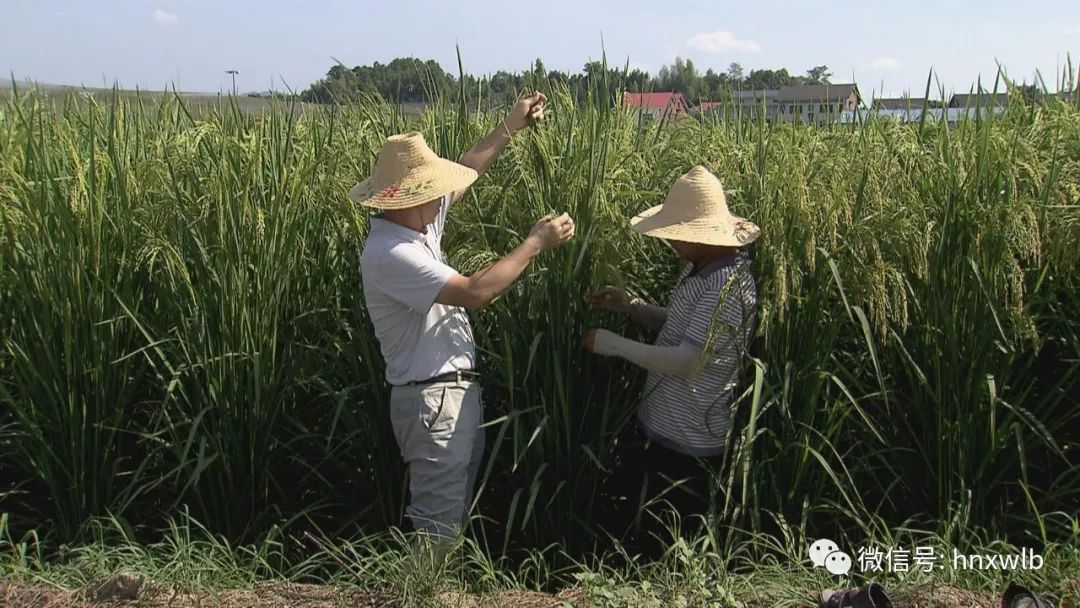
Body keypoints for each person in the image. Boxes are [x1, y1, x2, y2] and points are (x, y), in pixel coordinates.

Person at [351, 92, 576, 559]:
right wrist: (535, 242)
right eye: (433, 191)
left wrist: (511, 124)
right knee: (436, 536)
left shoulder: (414, 225)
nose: (442, 198)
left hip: (449, 398)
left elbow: (467, 170)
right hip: (432, 403)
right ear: (410, 198)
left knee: (449, 522)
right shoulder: (393, 254)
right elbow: (476, 292)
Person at [583, 165, 760, 554]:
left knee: (671, 548)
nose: (672, 241)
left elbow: (687, 361)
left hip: (689, 443)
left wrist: (614, 345)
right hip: (662, 430)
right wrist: (631, 307)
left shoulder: (728, 287)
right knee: (644, 536)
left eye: (679, 233)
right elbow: (681, 324)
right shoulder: (701, 269)